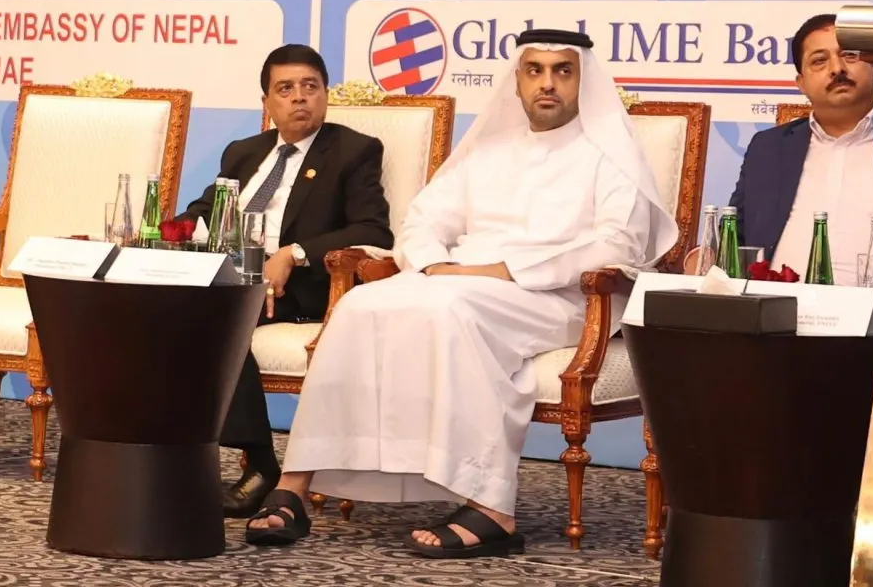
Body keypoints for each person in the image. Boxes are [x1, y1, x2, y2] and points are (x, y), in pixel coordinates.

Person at [246, 29, 674, 556]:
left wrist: (498, 271)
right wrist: (435, 264)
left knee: (452, 308)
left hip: (561, 295)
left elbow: (617, 245)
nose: (547, 83)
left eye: (563, 71)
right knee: (358, 305)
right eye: (534, 70)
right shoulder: (488, 149)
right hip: (459, 283)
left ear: (582, 81)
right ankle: (294, 485)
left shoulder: (608, 155)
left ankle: (493, 509)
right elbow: (424, 220)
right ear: (517, 81)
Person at [178, 43, 391, 517]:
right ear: (267, 102)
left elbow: (374, 231)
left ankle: (260, 464)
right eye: (286, 88)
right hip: (230, 277)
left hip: (300, 288)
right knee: (159, 309)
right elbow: (205, 212)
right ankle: (160, 454)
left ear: (325, 95)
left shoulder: (353, 151)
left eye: (310, 87)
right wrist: (165, 233)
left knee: (215, 318)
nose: (299, 97)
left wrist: (292, 254)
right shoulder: (244, 152)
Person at [730, 12, 873, 280]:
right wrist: (705, 256)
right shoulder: (768, 147)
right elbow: (734, 234)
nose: (837, 69)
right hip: (778, 302)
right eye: (819, 61)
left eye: (849, 55)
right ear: (801, 83)